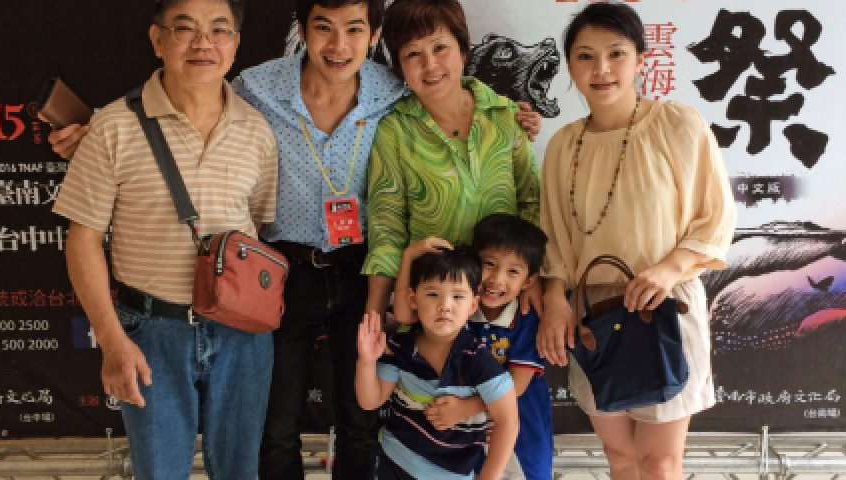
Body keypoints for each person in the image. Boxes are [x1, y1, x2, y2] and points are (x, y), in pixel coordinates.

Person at [46, 1, 540, 478]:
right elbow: (194, 104)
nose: (339, 44)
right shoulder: (255, 88)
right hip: (282, 272)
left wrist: (509, 112)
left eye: (354, 29)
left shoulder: (395, 91)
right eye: (324, 27)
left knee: (361, 419)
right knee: (275, 425)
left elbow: (448, 92)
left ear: (373, 35)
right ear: (302, 31)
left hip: (363, 270)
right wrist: (96, 133)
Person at [51, 0, 279, 478]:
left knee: (241, 471)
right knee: (159, 473)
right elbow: (82, 241)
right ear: (157, 39)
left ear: (236, 44)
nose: (203, 43)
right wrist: (112, 341)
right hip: (151, 333)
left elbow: (256, 229)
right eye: (185, 29)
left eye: (219, 30)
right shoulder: (114, 126)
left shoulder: (257, 131)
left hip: (243, 337)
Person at [538, 2, 737, 479]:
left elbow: (715, 216)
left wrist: (668, 270)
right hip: (593, 317)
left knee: (660, 461)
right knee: (620, 458)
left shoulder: (677, 125)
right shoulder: (563, 144)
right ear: (570, 66)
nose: (601, 69)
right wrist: (555, 299)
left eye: (616, 53)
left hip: (663, 307)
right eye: (585, 56)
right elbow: (554, 235)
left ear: (641, 59)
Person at [362, 0, 542, 319]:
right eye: (413, 54)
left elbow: (532, 203)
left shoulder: (505, 116)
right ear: (399, 66)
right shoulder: (395, 130)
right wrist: (374, 316)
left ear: (463, 50)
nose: (430, 65)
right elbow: (386, 229)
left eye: (440, 48)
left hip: (500, 303)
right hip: (432, 308)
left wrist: (532, 280)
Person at [394, 214, 553, 480]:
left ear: (528, 281)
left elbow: (518, 383)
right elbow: (403, 313)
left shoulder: (527, 317)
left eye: (513, 271)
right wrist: (409, 257)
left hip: (520, 422)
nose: (497, 279)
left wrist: (466, 408)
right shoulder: (460, 309)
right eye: (489, 264)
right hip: (466, 431)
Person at [355, 247, 519, 480]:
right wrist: (366, 361)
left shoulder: (476, 358)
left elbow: (508, 421)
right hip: (395, 461)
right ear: (413, 299)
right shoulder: (400, 347)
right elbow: (370, 401)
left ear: (473, 305)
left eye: (457, 296)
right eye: (433, 294)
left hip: (452, 474)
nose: (445, 306)